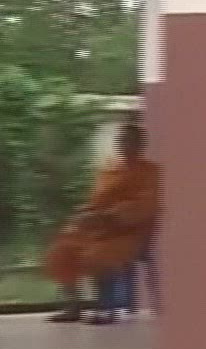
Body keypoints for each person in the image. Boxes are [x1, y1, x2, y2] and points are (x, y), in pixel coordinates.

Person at [44, 119, 160, 325]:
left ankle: (106, 309)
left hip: (130, 232)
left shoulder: (152, 172)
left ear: (141, 145)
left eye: (130, 141)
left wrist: (108, 216)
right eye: (122, 141)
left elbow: (145, 206)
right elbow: (95, 201)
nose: (125, 146)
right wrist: (85, 215)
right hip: (98, 228)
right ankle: (73, 306)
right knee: (62, 250)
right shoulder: (109, 170)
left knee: (99, 255)